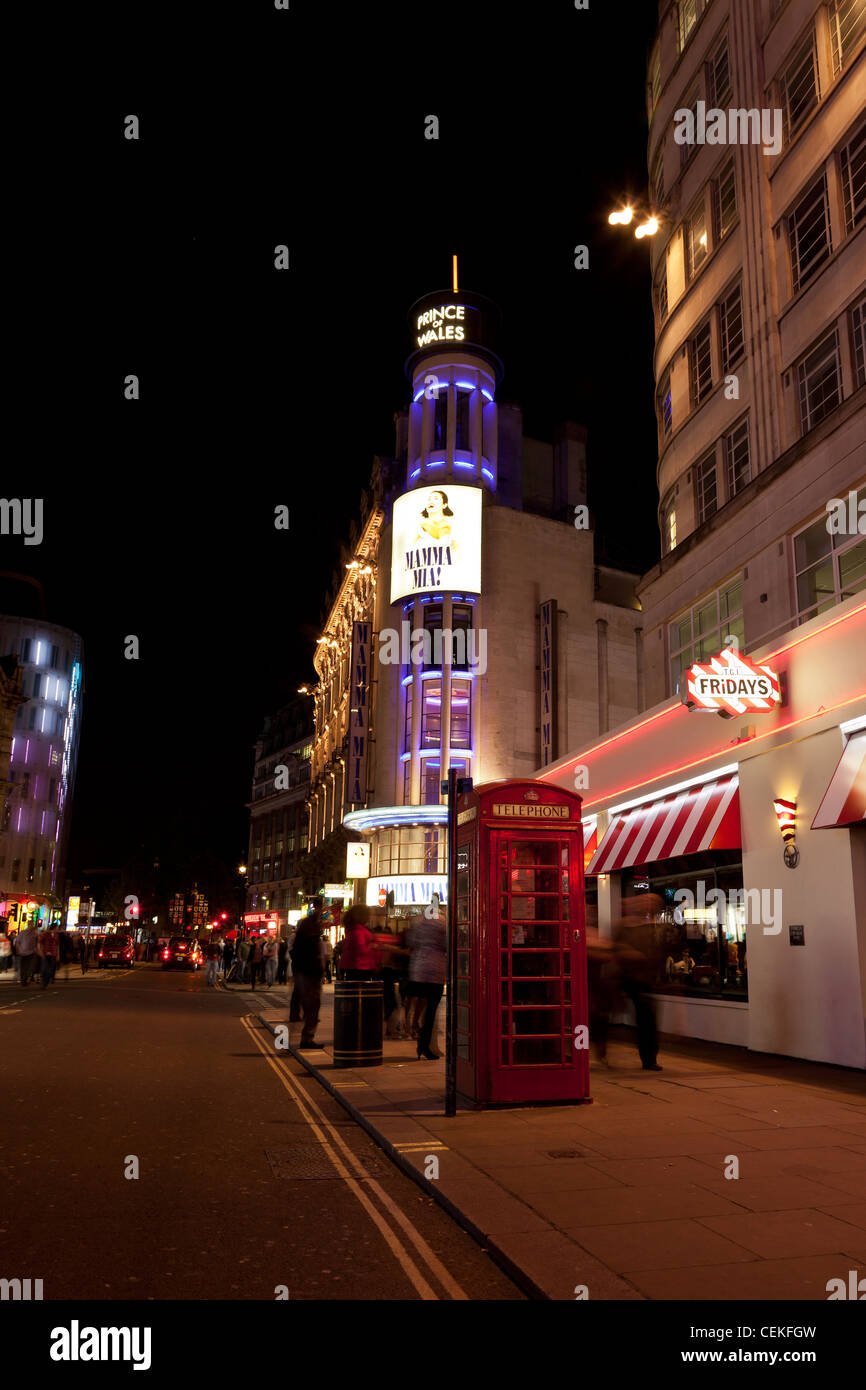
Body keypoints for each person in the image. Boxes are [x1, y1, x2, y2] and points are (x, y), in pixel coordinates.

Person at [613, 896, 663, 1071]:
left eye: (653, 903)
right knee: (645, 1017)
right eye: (646, 902)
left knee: (647, 1019)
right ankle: (648, 1058)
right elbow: (614, 947)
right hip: (629, 978)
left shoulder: (654, 925)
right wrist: (630, 952)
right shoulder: (624, 925)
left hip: (647, 980)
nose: (648, 905)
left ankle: (649, 1057)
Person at [406, 901, 446, 1061]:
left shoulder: (418, 921)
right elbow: (447, 945)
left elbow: (410, 942)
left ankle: (414, 1026)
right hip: (435, 971)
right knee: (430, 1011)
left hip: (418, 969)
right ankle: (424, 1045)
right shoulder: (443, 923)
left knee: (417, 1003)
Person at [290, 906, 325, 1047]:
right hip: (309, 976)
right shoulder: (310, 941)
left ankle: (307, 1037)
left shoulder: (302, 940)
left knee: (310, 1007)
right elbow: (312, 959)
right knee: (312, 1007)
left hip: (305, 975)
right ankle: (307, 1038)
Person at [586, 925, 617, 1066]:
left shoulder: (592, 932)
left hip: (597, 987)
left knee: (600, 1020)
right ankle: (594, 1052)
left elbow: (608, 953)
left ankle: (601, 1052)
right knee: (593, 1020)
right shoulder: (593, 935)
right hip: (587, 986)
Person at [339, 905, 378, 980]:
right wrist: (372, 946)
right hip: (360, 967)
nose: (369, 917)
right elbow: (360, 949)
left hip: (357, 966)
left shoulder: (354, 929)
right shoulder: (357, 931)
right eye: (368, 914)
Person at [16, 921, 38, 988]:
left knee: (29, 967)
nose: (31, 926)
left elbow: (38, 941)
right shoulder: (23, 932)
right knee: (23, 968)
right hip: (23, 953)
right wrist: (18, 950)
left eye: (32, 925)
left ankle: (26, 979)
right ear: (28, 925)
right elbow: (17, 942)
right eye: (30, 925)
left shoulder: (34, 933)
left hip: (31, 953)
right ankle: (23, 981)